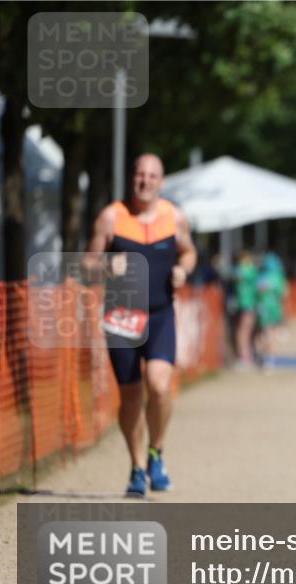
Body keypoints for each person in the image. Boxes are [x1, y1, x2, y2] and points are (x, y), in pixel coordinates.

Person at [86, 154, 196, 497]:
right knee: (131, 396)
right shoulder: (111, 217)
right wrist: (106, 268)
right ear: (132, 179)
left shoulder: (174, 217)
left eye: (152, 176)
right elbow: (86, 265)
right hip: (122, 318)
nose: (145, 181)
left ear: (161, 182)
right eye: (140, 175)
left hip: (161, 314)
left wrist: (183, 270)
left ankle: (156, 453)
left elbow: (189, 252)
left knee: (160, 386)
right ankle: (136, 467)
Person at [256, 252, 288, 371]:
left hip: (264, 307)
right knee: (271, 333)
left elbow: (259, 290)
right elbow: (283, 294)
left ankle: (267, 357)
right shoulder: (279, 277)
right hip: (275, 307)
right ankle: (270, 357)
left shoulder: (262, 276)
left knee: (266, 333)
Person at [233, 251, 259, 369]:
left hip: (246, 306)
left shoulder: (246, 271)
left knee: (243, 332)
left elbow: (236, 275)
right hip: (251, 305)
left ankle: (244, 357)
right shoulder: (253, 271)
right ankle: (248, 356)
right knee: (247, 332)